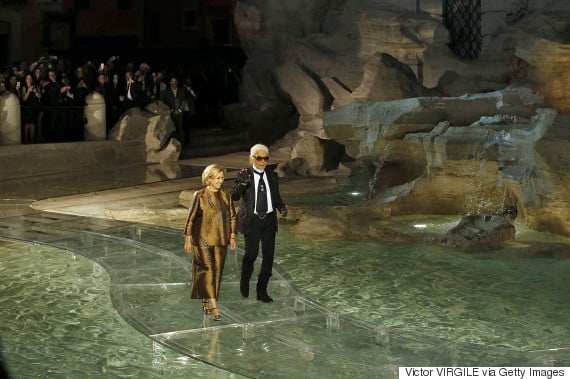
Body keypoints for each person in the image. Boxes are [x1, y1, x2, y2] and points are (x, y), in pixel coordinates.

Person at [231, 144, 288, 303]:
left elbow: (275, 196)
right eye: (259, 158)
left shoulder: (272, 175)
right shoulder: (244, 174)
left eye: (266, 158)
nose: (263, 161)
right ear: (252, 159)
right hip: (252, 221)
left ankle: (262, 291)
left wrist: (281, 207)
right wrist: (242, 184)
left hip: (269, 220)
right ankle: (245, 280)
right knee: (252, 254)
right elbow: (234, 197)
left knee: (268, 257)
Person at [184, 164, 237, 321]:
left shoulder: (226, 195)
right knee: (208, 271)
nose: (221, 181)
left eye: (222, 178)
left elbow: (232, 216)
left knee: (218, 273)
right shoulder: (199, 195)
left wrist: (232, 236)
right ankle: (214, 307)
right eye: (218, 178)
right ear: (209, 179)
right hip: (202, 240)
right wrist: (187, 238)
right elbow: (191, 218)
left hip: (221, 239)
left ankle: (206, 299)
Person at [161, 76, 187, 147]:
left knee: (180, 129)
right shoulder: (166, 92)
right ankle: (173, 146)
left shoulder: (181, 91)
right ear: (170, 83)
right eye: (172, 81)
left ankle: (182, 145)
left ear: (177, 82)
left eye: (175, 81)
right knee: (172, 130)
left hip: (179, 113)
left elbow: (184, 102)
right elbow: (163, 103)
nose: (173, 83)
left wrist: (179, 110)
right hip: (170, 113)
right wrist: (171, 110)